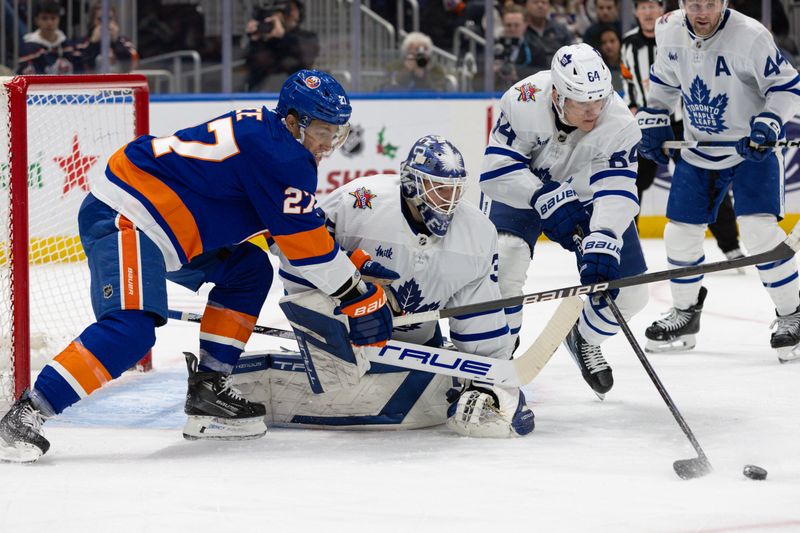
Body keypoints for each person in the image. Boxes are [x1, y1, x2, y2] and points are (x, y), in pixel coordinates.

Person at [0, 70, 394, 463]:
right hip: (129, 215)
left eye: (336, 134)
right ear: (293, 121)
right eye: (322, 132)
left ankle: (209, 390)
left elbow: (287, 228)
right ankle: (26, 414)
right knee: (131, 332)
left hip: (168, 224)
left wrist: (338, 258)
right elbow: (306, 247)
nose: (328, 145)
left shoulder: (272, 137)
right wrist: (355, 293)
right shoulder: (283, 156)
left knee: (249, 270)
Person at [270, 135, 534, 438]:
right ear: (411, 184)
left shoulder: (477, 233)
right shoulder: (359, 201)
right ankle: (326, 349)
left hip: (417, 341)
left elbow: (478, 313)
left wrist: (493, 377)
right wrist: (344, 291)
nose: (448, 201)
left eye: (455, 190)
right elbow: (293, 249)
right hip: (346, 329)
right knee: (310, 278)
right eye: (439, 190)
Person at [480, 43, 648, 397]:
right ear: (557, 95)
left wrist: (603, 235)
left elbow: (617, 188)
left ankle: (584, 337)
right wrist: (541, 195)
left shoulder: (620, 123)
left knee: (632, 293)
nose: (593, 112)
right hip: (522, 188)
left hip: (588, 195)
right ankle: (497, 361)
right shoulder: (523, 98)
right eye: (581, 103)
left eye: (598, 101)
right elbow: (496, 171)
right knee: (505, 266)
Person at [637, 0, 800, 360]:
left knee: (759, 234)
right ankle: (685, 313)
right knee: (678, 232)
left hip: (750, 150)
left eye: (710, 3)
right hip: (700, 149)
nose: (702, 12)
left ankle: (792, 313)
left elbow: (787, 86)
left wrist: (771, 120)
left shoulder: (751, 35)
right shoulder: (667, 28)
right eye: (694, 3)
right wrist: (656, 114)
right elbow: (664, 83)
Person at [621, 0, 743, 263]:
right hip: (647, 125)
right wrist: (633, 106)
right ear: (635, 12)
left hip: (685, 122)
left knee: (706, 176)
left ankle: (730, 244)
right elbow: (628, 79)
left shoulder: (681, 32)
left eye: (652, 6)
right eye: (642, 7)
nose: (647, 12)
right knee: (631, 183)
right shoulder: (629, 42)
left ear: (662, 9)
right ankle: (626, 244)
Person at [244, 0, 319, 92]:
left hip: (296, 93)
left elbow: (305, 58)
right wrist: (255, 40)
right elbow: (250, 64)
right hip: (259, 94)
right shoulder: (263, 39)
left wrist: (283, 36)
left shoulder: (306, 37)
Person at [17, 1, 82, 75]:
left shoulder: (69, 46)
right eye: (44, 18)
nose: (49, 23)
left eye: (53, 18)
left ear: (59, 19)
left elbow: (81, 71)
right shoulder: (28, 49)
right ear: (36, 20)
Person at [75, 3, 139, 73]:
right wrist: (93, 43)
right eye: (100, 19)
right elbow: (80, 67)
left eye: (109, 19)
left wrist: (115, 42)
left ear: (115, 21)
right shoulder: (82, 43)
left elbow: (131, 64)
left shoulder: (124, 41)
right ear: (92, 21)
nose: (105, 23)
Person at [381, 32, 451, 92]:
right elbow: (390, 88)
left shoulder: (436, 69)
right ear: (407, 52)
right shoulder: (394, 66)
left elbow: (439, 91)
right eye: (414, 52)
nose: (418, 56)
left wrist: (423, 74)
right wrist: (406, 71)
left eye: (423, 51)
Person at [523, 0, 574, 74]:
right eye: (535, 2)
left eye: (544, 2)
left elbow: (572, 54)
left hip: (560, 74)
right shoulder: (520, 30)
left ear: (549, 7)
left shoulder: (560, 29)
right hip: (529, 77)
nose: (540, 5)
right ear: (526, 6)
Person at [494, 4, 537, 90]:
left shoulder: (536, 46)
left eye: (516, 25)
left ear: (525, 25)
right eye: (508, 25)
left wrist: (517, 71)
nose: (512, 29)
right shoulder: (494, 46)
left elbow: (543, 71)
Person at [597, 25, 624, 94]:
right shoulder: (598, 69)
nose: (608, 46)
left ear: (619, 42)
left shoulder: (630, 63)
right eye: (604, 42)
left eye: (612, 41)